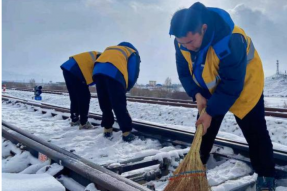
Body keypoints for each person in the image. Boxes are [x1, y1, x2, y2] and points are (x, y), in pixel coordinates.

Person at [169, 2, 275, 190]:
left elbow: (232, 84)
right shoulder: (182, 41)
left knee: (256, 134)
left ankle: (266, 177)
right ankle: (195, 171)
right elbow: (184, 72)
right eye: (181, 42)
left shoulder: (231, 40)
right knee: (203, 130)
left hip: (244, 86)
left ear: (203, 28)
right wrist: (196, 94)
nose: (187, 47)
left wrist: (211, 111)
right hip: (209, 87)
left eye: (191, 42)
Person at [93, 42, 141, 142]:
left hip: (97, 72)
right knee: (118, 103)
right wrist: (126, 88)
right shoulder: (132, 52)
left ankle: (107, 129)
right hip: (114, 73)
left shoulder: (110, 48)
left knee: (104, 102)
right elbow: (133, 72)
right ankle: (126, 132)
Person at [60, 51, 101, 129]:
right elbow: (97, 73)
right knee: (85, 97)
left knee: (74, 96)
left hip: (68, 68)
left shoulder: (97, 54)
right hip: (76, 70)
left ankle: (75, 120)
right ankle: (84, 123)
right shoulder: (102, 58)